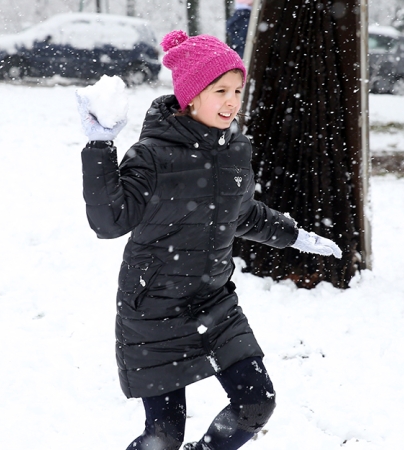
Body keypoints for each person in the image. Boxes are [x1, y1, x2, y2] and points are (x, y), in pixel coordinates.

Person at [76, 30, 341, 450]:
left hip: (215, 305)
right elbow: (109, 221)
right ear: (191, 97)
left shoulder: (235, 151)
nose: (232, 101)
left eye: (237, 89)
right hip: (153, 312)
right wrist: (100, 145)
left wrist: (295, 236)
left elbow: (242, 213)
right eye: (221, 90)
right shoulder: (152, 156)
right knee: (162, 437)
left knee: (257, 403)